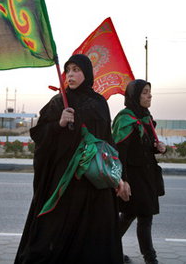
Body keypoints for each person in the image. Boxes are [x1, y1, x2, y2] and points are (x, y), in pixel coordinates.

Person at [15, 54, 124, 264]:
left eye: (77, 70)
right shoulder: (59, 102)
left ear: (87, 74)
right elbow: (39, 134)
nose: (71, 74)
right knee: (55, 233)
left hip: (94, 181)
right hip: (65, 182)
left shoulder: (99, 103)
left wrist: (119, 176)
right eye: (69, 70)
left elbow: (108, 141)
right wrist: (60, 124)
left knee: (94, 235)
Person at [112, 79, 166, 264]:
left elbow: (143, 148)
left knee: (129, 215)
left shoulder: (146, 118)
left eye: (149, 91)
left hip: (147, 175)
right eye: (144, 92)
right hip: (133, 178)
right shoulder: (125, 119)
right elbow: (120, 153)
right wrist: (123, 180)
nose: (149, 95)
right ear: (134, 96)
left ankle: (110, 249)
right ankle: (151, 259)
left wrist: (157, 148)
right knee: (145, 216)